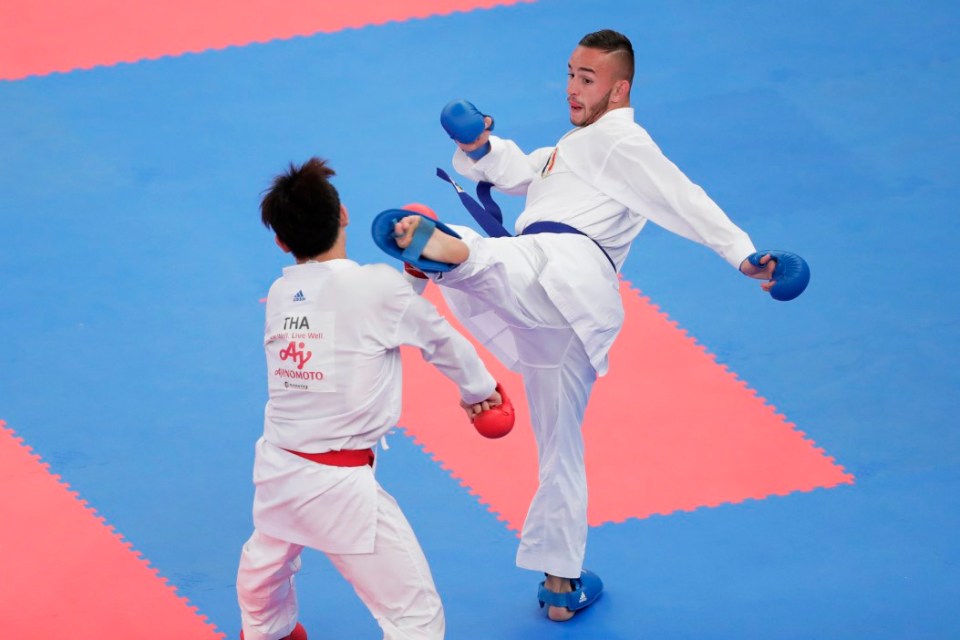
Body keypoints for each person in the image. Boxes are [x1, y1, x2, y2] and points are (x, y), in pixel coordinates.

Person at [385, 29, 788, 622]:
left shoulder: (623, 140)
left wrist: (743, 254)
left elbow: (682, 196)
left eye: (587, 79)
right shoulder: (571, 149)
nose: (572, 88)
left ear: (619, 88)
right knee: (560, 452)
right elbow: (520, 171)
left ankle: (448, 251)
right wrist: (478, 144)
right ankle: (561, 585)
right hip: (568, 323)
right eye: (570, 74)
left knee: (493, 261)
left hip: (562, 269)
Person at [236, 157, 504, 640]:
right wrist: (481, 392)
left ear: (279, 242)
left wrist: (412, 276)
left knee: (267, 565)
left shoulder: (281, 294)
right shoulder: (377, 288)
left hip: (278, 468)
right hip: (338, 486)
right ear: (344, 215)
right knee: (415, 615)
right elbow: (440, 340)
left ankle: (267, 632)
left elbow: (366, 314)